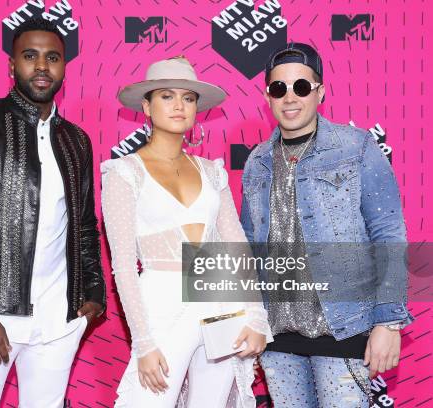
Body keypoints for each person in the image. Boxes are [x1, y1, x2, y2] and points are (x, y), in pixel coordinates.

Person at [0, 18, 106, 408]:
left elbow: (83, 225)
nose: (42, 67)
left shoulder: (76, 139)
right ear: (12, 65)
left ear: (64, 67)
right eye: (30, 56)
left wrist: (91, 291)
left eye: (52, 58)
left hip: (59, 322)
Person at [240, 42, 413, 407]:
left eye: (301, 86)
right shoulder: (257, 161)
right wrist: (250, 321)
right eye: (279, 88)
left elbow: (388, 236)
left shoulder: (357, 147)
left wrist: (388, 323)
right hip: (277, 338)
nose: (290, 97)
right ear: (268, 96)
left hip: (344, 328)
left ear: (320, 91)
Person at [101, 56, 271, 408]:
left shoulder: (212, 172)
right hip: (161, 308)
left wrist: (255, 315)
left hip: (220, 302)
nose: (179, 105)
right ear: (146, 107)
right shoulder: (123, 173)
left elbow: (236, 246)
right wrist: (143, 342)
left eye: (188, 98)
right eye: (166, 96)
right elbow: (122, 265)